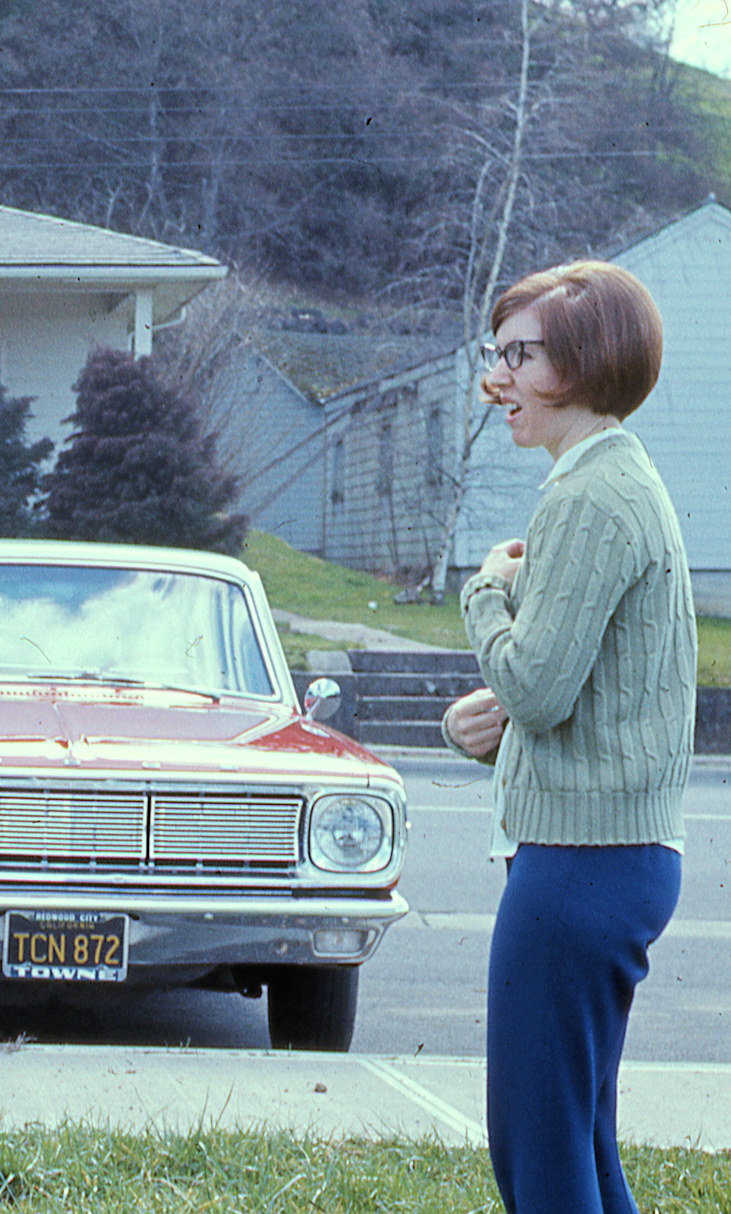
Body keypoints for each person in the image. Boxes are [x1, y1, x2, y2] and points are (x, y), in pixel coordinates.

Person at [441, 261, 696, 1214]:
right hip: (608, 857)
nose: (494, 379)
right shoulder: (610, 479)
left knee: (538, 1154)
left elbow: (539, 690)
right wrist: (486, 733)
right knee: (578, 1139)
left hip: (578, 869)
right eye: (495, 353)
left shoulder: (586, 498)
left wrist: (482, 591)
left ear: (584, 363)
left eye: (518, 355)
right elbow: (574, 700)